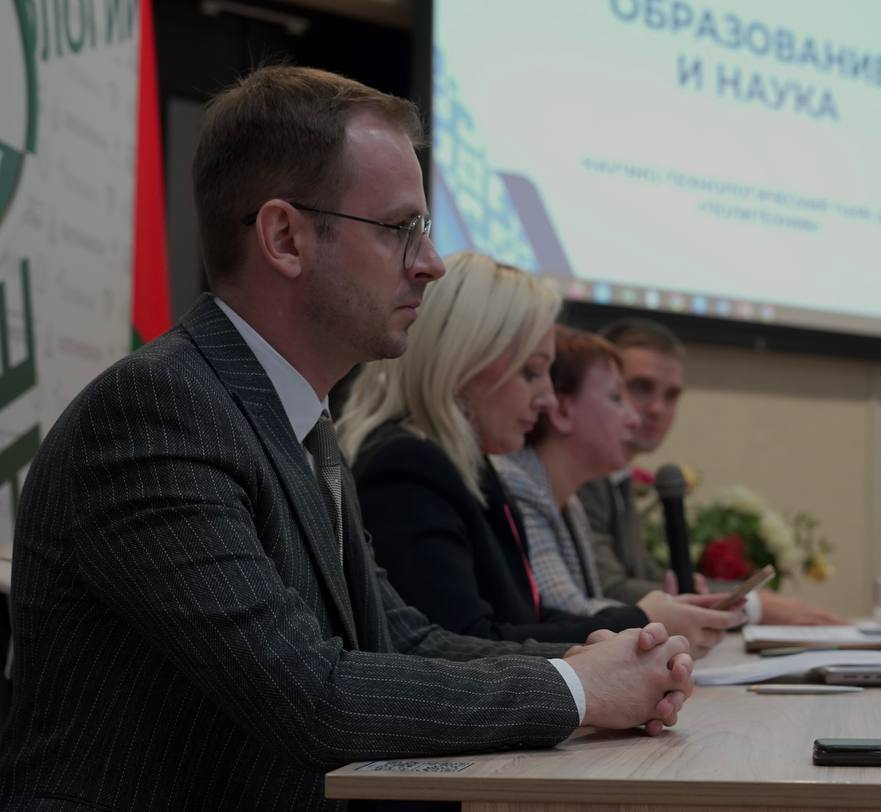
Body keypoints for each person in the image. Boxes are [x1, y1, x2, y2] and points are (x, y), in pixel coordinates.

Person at [0, 67, 693, 810]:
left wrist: (600, 661)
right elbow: (310, 697)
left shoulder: (297, 418)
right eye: (400, 229)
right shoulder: (159, 412)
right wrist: (574, 688)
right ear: (285, 238)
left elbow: (398, 638)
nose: (430, 264)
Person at [340, 251, 647, 642]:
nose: (547, 400)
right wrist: (636, 622)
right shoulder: (406, 467)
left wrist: (633, 625)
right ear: (461, 363)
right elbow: (463, 645)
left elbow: (527, 616)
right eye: (531, 373)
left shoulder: (473, 465)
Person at [493, 327, 743, 659]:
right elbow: (564, 614)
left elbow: (580, 607)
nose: (633, 418)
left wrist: (664, 611)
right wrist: (650, 618)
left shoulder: (571, 501)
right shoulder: (518, 485)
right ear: (562, 411)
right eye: (616, 398)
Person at [578, 318, 846, 625]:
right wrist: (756, 606)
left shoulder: (617, 479)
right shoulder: (585, 477)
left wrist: (749, 597)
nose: (657, 408)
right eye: (640, 387)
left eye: (671, 395)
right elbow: (608, 588)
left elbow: (655, 580)